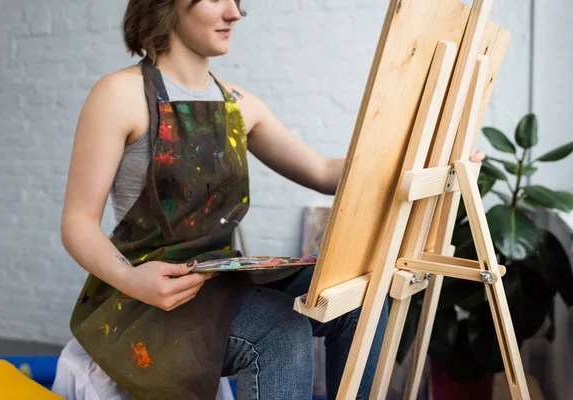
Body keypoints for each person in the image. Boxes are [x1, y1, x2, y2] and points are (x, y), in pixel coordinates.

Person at [60, 1, 486, 399]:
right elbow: (78, 222)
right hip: (143, 296)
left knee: (361, 294)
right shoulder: (118, 95)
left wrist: (433, 159)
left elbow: (321, 172)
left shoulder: (239, 104)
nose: (235, 12)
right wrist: (134, 280)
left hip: (217, 278)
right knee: (280, 327)